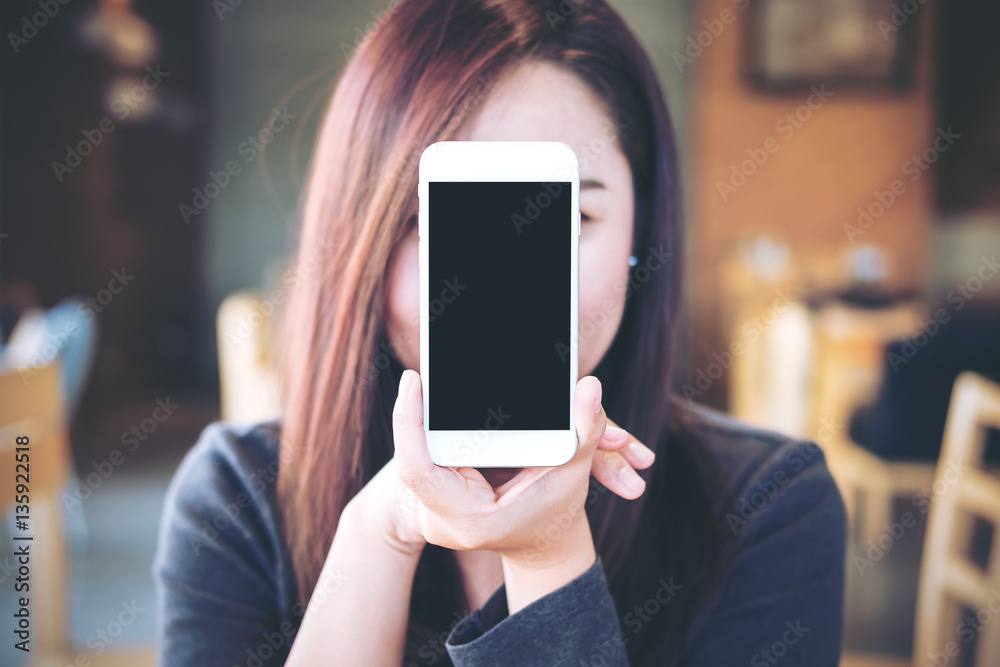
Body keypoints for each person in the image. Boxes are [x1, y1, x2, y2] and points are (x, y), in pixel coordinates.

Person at [153, 1, 846, 665]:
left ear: (643, 232)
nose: (505, 287)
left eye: (566, 219)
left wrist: (550, 556)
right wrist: (379, 533)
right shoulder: (234, 501)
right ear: (362, 238)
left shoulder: (768, 506)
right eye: (442, 221)